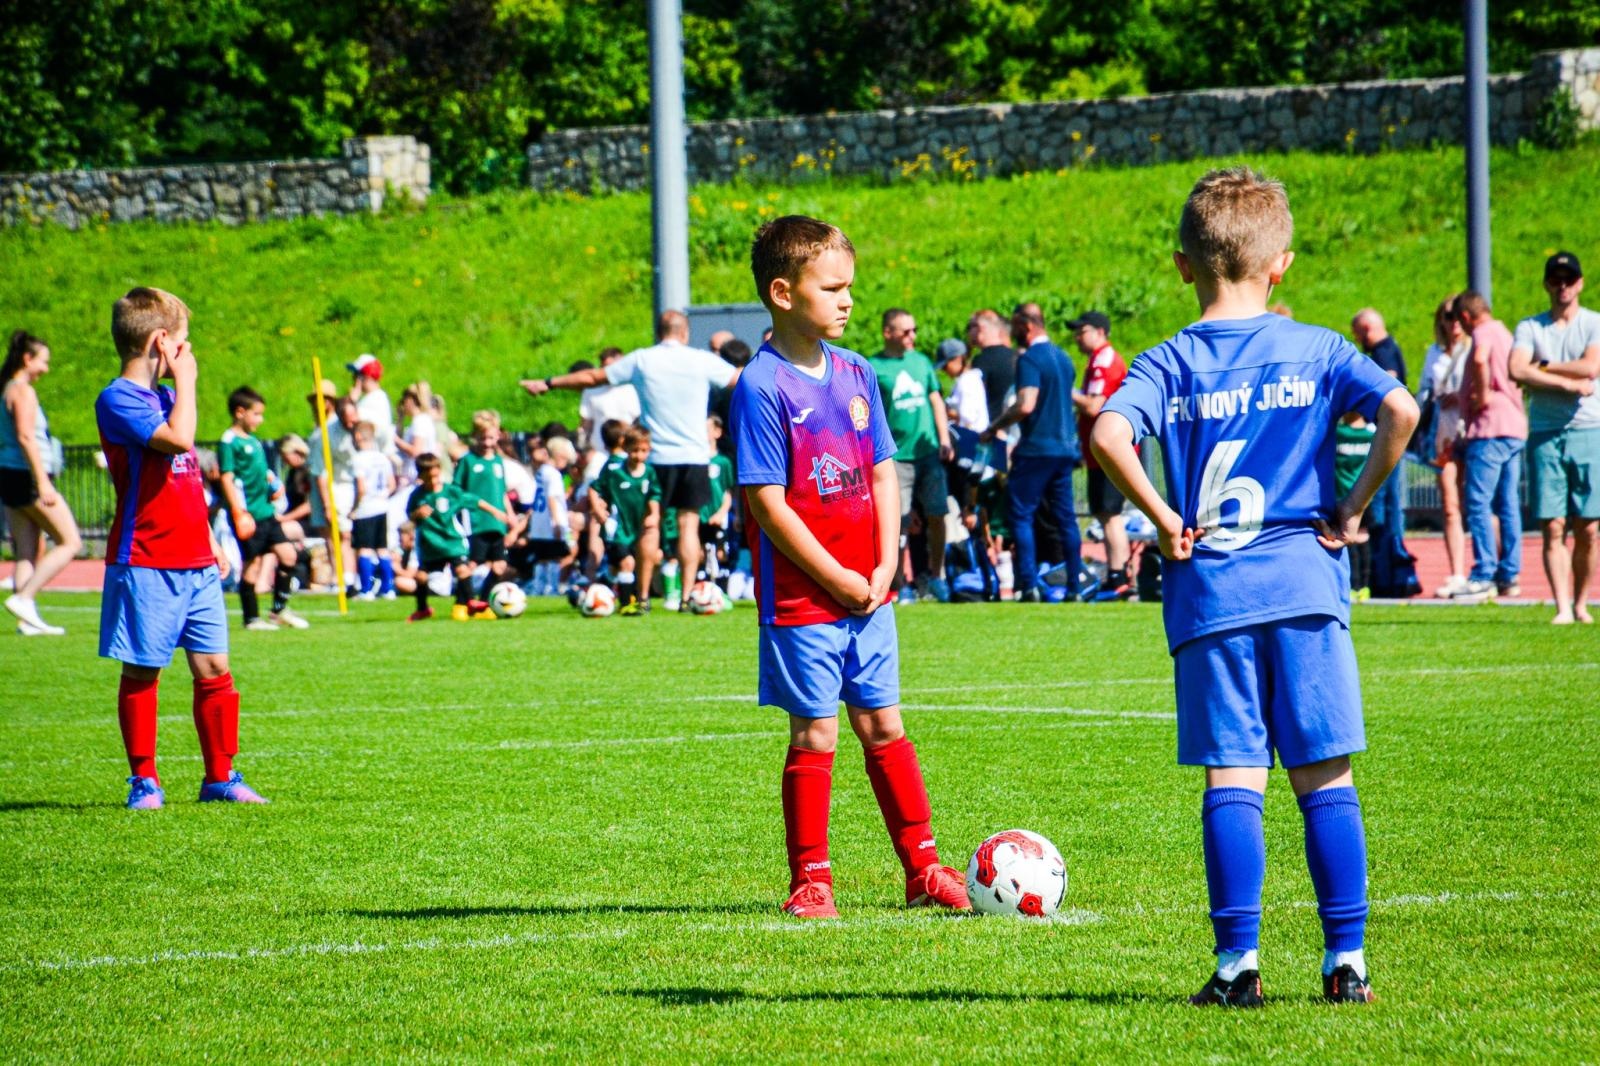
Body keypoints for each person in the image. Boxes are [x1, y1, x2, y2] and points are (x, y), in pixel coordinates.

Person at [1091, 167, 1419, 1006]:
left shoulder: (1169, 360)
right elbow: (1402, 412)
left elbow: (1108, 431)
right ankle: (1346, 962)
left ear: (1182, 266)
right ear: (1283, 266)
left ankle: (1238, 966)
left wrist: (1164, 519)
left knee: (1233, 778)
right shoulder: (1315, 347)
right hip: (1304, 584)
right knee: (1326, 778)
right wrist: (1352, 505)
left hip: (1213, 595)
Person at [731, 213, 969, 919]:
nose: (848, 300)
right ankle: (811, 881)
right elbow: (769, 505)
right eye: (832, 288)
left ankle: (924, 869)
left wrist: (887, 559)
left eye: (851, 288)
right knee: (818, 732)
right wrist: (836, 577)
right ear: (782, 292)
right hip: (805, 599)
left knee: (885, 726)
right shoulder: (761, 387)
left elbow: (885, 472)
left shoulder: (860, 370)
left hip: (871, 590)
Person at [96, 287, 271, 809]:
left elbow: (188, 477)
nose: (188, 356)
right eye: (184, 345)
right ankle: (144, 781)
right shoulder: (120, 398)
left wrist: (212, 539)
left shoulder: (170, 398)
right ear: (160, 342)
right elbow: (176, 440)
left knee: (215, 668)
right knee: (144, 669)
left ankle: (220, 776)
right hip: (147, 559)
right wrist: (189, 381)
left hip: (195, 561)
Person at [524, 312, 736, 602]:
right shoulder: (701, 360)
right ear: (685, 333)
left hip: (656, 457)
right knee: (689, 527)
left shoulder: (643, 359)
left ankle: (644, 596)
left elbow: (593, 376)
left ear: (659, 333)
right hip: (694, 457)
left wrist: (549, 382)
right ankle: (688, 597)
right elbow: (742, 379)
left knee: (650, 525)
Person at [1508, 251, 1600, 624]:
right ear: (1547, 284)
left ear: (1579, 283)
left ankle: (1581, 602)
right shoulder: (1530, 327)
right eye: (1555, 279)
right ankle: (1562, 606)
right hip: (1545, 431)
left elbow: (1591, 367)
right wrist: (1564, 380)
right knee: (1553, 524)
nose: (1562, 286)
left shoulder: (1593, 323)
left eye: (1569, 279)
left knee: (1589, 527)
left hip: (1588, 428)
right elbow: (1516, 369)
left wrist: (1541, 366)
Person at [982, 303, 1082, 602]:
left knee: (1021, 514)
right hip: (1066, 448)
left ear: (1025, 327)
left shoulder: (1030, 359)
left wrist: (995, 426)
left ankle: (1028, 585)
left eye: (1014, 328)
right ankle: (1075, 586)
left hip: (1037, 448)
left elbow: (1026, 403)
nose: (1012, 335)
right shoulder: (1064, 358)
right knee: (1066, 518)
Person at [869, 308, 955, 602]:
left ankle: (936, 576)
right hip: (895, 456)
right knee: (898, 520)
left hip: (928, 452)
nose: (912, 336)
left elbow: (936, 400)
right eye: (905, 331)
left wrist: (944, 439)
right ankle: (899, 583)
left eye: (914, 329)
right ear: (888, 333)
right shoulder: (874, 367)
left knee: (937, 514)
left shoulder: (921, 362)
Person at [1, 330, 81, 635]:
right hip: (28, 477)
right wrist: (43, 483)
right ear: (27, 359)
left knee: (26, 550)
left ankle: (26, 621)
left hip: (9, 474)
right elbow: (25, 437)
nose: (46, 369)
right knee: (70, 541)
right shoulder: (22, 391)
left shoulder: (6, 388)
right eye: (43, 361)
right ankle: (24, 598)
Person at [1454, 291, 1528, 603]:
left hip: (1490, 429)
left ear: (1467, 317)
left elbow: (1481, 358)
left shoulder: (1483, 334)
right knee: (1507, 503)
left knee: (1478, 502)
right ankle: (1509, 574)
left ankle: (1484, 572)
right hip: (1514, 425)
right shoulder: (1505, 331)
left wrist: (1480, 396)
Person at [218, 386, 307, 630]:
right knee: (253, 565)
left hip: (267, 512)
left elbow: (259, 472)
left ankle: (279, 610)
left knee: (288, 556)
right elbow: (227, 477)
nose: (260, 419)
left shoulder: (254, 442)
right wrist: (238, 512)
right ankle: (251, 619)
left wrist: (272, 484)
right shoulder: (229, 441)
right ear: (240, 412)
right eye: (256, 414)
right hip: (249, 515)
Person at [1069, 310, 1133, 599]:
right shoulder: (1097, 360)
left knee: (1110, 515)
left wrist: (1065, 390)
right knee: (1105, 513)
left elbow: (1095, 406)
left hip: (1110, 448)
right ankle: (1115, 572)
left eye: (1081, 331)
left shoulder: (1105, 360)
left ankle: (1118, 574)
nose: (1076, 337)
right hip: (1100, 451)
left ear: (1099, 331)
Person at [406, 454, 510, 622]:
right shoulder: (417, 496)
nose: (432, 481)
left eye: (434, 475)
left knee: (462, 570)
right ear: (420, 476)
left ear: (439, 471)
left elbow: (474, 501)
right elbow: (410, 516)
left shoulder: (450, 492)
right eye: (427, 477)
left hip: (452, 542)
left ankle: (471, 602)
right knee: (421, 577)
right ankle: (423, 609)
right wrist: (417, 514)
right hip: (430, 544)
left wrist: (495, 511)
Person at [1421, 298, 1473, 597]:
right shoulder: (1434, 353)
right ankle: (1456, 572)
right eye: (1447, 317)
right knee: (1451, 506)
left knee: (1477, 505)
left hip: (1474, 431)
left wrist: (1461, 397)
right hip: (1444, 434)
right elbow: (1426, 391)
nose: (1453, 322)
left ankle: (1491, 568)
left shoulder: (1475, 347)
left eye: (1458, 316)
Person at [1351, 309, 1409, 542]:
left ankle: (1387, 549)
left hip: (1386, 434)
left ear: (1366, 328)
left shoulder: (1382, 353)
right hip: (1393, 433)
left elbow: (1387, 387)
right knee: (1391, 496)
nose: (1357, 340)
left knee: (1384, 496)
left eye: (1357, 334)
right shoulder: (1391, 348)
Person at [591, 426, 663, 614]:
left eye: (644, 451)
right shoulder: (615, 471)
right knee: (627, 564)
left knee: (620, 569)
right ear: (626, 449)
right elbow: (594, 488)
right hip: (617, 528)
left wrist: (654, 515)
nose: (639, 455)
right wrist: (598, 509)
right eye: (635, 450)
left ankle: (600, 586)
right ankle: (626, 604)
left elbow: (654, 496)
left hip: (636, 528)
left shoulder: (649, 472)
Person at [453, 411, 521, 601]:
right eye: (482, 438)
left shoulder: (498, 462)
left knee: (499, 565)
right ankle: (462, 601)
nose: (487, 442)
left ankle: (483, 602)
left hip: (497, 522)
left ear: (498, 435)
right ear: (475, 436)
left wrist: (510, 514)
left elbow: (501, 492)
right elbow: (457, 491)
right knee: (473, 563)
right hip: (476, 521)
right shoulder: (468, 461)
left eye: (491, 437)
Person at [350, 421, 398, 601]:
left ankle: (366, 589)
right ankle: (388, 589)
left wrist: (354, 508)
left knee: (364, 550)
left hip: (366, 508)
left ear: (358, 437)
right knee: (383, 549)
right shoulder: (382, 457)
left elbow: (361, 488)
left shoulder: (359, 458)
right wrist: (382, 496)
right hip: (382, 506)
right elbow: (392, 484)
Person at [576, 348, 640, 456]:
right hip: (599, 452)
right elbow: (585, 425)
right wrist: (582, 450)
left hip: (628, 452)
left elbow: (639, 422)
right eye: (606, 367)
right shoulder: (591, 391)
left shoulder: (634, 388)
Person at [965, 309, 1017, 424]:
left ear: (981, 329)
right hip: (1014, 426)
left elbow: (970, 401)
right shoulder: (1019, 357)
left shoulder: (981, 361)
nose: (968, 333)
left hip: (991, 428)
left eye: (970, 327)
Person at [346, 354, 395, 455]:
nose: (353, 378)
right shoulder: (371, 398)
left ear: (366, 376)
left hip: (375, 456)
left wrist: (352, 401)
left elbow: (356, 421)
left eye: (356, 374)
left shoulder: (376, 399)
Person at [938, 338, 989, 433]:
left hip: (972, 437)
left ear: (958, 359)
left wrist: (945, 411)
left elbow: (968, 418)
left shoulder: (967, 381)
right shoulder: (966, 379)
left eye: (945, 366)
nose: (943, 370)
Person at [394, 383, 439, 484]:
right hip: (411, 476)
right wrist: (400, 419)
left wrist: (396, 441)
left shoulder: (420, 422)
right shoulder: (420, 420)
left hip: (415, 477)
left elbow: (416, 451)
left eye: (403, 401)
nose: (402, 405)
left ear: (410, 400)